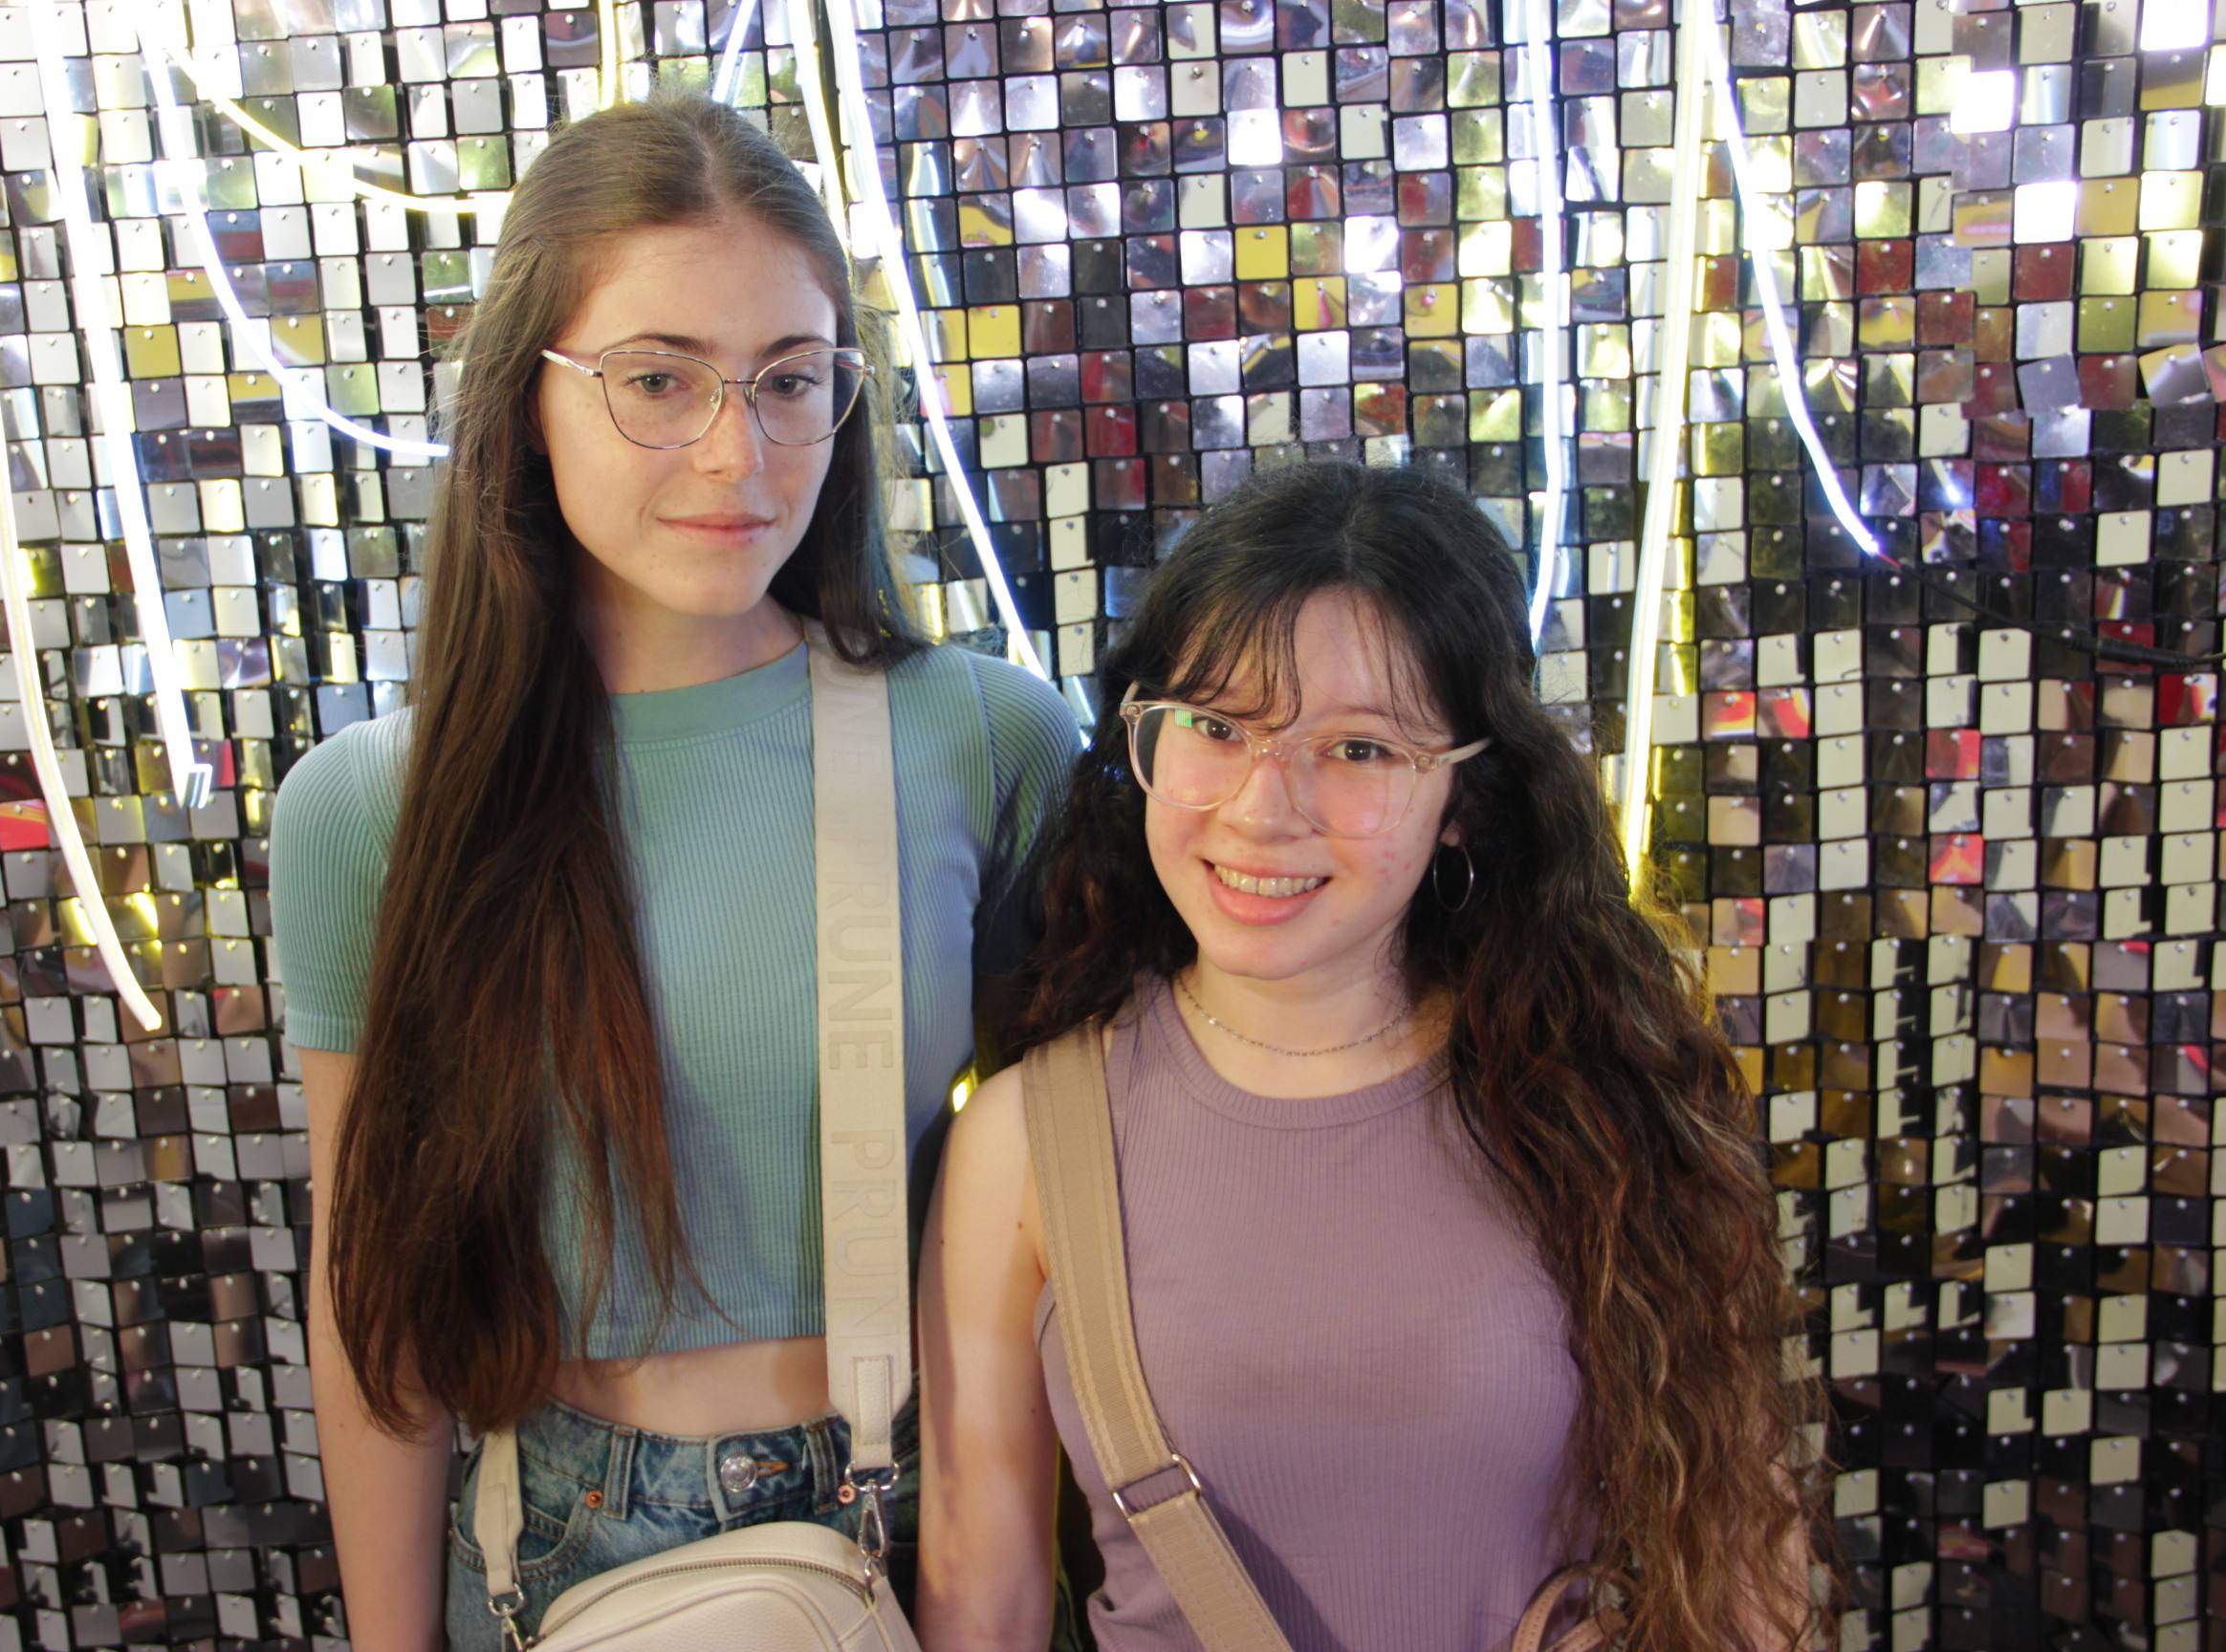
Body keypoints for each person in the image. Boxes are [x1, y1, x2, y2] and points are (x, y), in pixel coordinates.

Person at [269, 94, 1082, 1652]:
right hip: (547, 1537)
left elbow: (1086, 1198)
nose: (736, 453)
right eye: (658, 379)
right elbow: (373, 1307)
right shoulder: (373, 808)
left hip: (930, 1511)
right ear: (529, 398)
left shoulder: (984, 738)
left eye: (790, 380)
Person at [916, 460, 1836, 1652]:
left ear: (1463, 798)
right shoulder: (1029, 1139)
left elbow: (1747, 1555)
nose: (1263, 809)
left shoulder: (1600, 1093)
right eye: (1215, 727)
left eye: (1357, 750)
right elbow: (979, 1591)